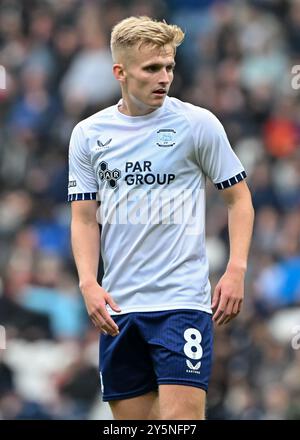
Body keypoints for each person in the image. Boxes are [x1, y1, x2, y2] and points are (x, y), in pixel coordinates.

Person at [68, 16, 254, 420]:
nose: (164, 77)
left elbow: (239, 200)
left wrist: (237, 269)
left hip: (181, 303)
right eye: (152, 68)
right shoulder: (88, 134)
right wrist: (88, 282)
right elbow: (84, 218)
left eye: (169, 66)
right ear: (120, 72)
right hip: (119, 310)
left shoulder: (197, 124)